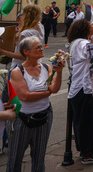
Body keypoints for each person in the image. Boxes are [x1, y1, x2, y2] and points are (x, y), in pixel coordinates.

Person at [7, 36, 64, 172]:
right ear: (26, 52)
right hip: (21, 120)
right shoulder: (17, 72)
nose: (41, 49)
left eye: (41, 46)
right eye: (37, 47)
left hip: (44, 117)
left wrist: (59, 72)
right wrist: (46, 93)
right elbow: (25, 96)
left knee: (39, 157)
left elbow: (54, 88)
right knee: (15, 158)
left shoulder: (45, 67)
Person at [67, 19, 93, 164]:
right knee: (86, 122)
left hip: (84, 88)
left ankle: (90, 149)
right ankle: (87, 153)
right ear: (84, 28)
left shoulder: (80, 42)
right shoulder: (81, 43)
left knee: (89, 121)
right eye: (91, 25)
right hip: (83, 89)